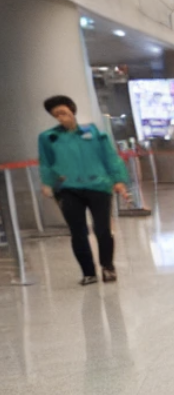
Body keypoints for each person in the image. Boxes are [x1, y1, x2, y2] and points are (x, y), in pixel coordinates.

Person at [37, 95, 130, 286]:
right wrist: (47, 183)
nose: (60, 117)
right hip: (68, 189)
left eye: (63, 112)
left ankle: (108, 267)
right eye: (56, 115)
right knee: (77, 232)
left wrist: (118, 179)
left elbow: (110, 157)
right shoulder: (49, 138)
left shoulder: (94, 133)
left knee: (103, 229)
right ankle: (88, 273)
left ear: (72, 110)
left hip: (99, 186)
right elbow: (46, 163)